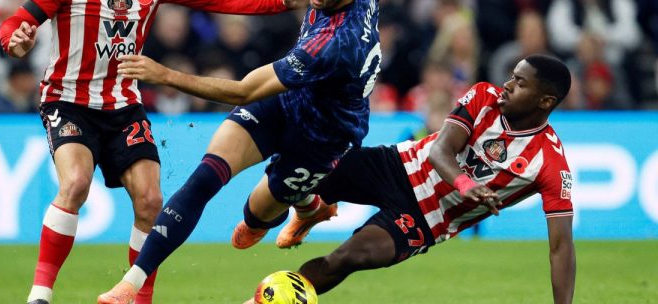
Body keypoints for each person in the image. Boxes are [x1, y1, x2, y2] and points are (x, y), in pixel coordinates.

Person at [98, 0, 422, 303]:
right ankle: (131, 285)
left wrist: (165, 74)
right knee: (203, 180)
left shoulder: (333, 45)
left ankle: (308, 204)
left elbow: (242, 92)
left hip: (325, 138)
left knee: (255, 217)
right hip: (285, 105)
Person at [0, 0, 310, 304]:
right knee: (75, 184)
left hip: (124, 104)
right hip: (68, 100)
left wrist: (281, 1)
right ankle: (39, 295)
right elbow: (18, 23)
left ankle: (138, 299)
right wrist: (14, 40)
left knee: (150, 200)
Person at [245, 54, 576, 304]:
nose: (507, 84)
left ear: (545, 101)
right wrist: (467, 185)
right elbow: (440, 151)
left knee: (347, 258)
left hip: (426, 218)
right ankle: (309, 208)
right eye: (511, 76)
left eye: (520, 82)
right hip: (398, 165)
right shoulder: (483, 96)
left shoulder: (550, 163)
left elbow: (561, 247)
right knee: (303, 166)